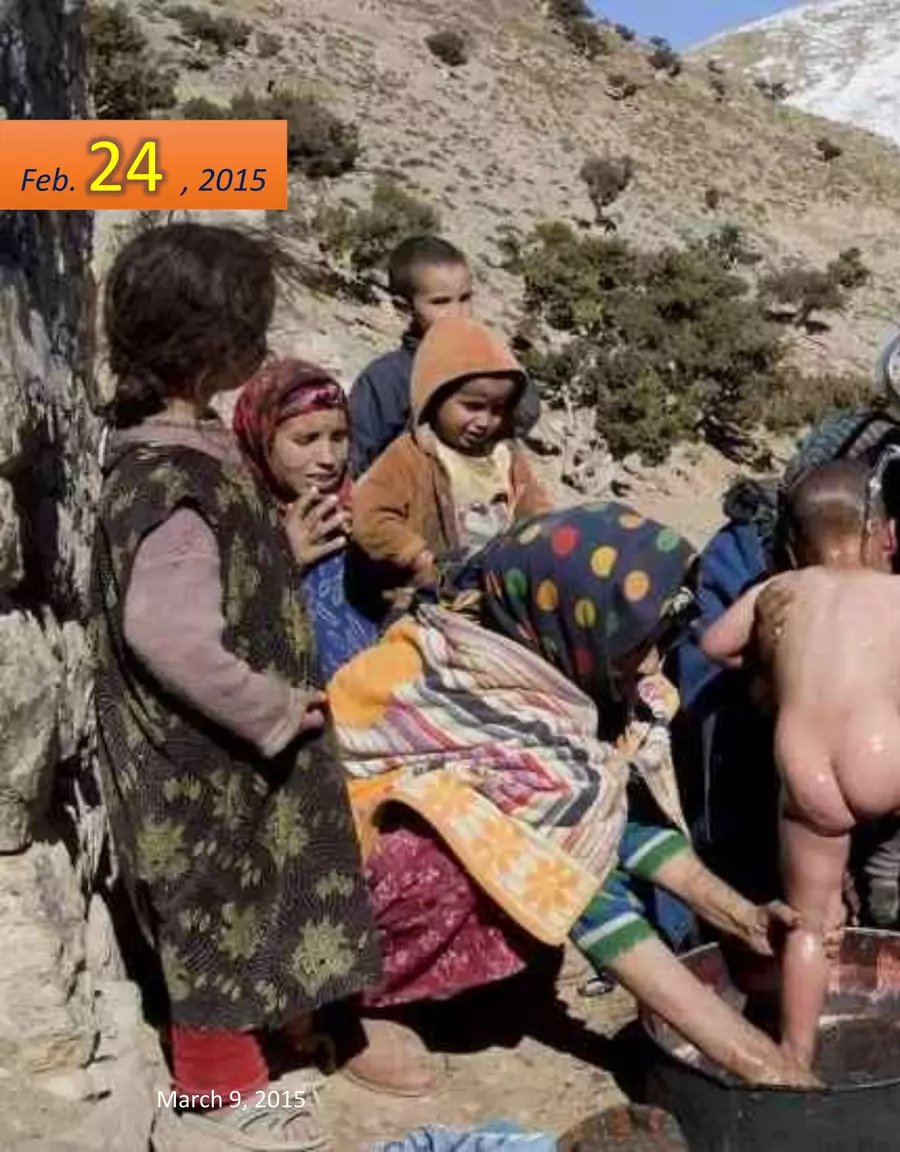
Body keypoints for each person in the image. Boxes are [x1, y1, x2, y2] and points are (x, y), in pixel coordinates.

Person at [329, 504, 818, 1087]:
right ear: (581, 620)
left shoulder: (549, 675)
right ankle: (340, 1011)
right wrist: (753, 1059)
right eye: (641, 644)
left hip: (372, 882)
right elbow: (585, 891)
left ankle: (437, 997)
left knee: (538, 863)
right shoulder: (475, 692)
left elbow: (610, 822)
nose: (655, 664)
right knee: (498, 871)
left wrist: (739, 916)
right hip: (326, 906)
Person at [92, 223, 380, 1151]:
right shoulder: (173, 476)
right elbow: (166, 628)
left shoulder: (186, 448)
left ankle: (254, 1063)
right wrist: (267, 705)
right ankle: (223, 1105)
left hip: (213, 760)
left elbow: (209, 582)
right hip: (200, 765)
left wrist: (278, 558)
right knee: (211, 916)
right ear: (211, 343)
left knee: (243, 902)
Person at [700, 463, 900, 1069]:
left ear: (795, 543)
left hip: (803, 777)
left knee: (809, 923)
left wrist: (769, 658)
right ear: (889, 535)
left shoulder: (779, 589)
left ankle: (794, 1054)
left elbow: (713, 644)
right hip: (879, 761)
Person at [675, 410, 900, 937]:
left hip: (864, 757)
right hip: (768, 762)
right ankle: (774, 894)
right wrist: (770, 677)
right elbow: (705, 665)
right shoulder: (749, 560)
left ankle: (899, 866)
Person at [352, 315, 550, 598]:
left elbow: (537, 515)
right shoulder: (413, 456)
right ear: (435, 397)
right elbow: (368, 515)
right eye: (473, 406)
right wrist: (417, 557)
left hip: (495, 593)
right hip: (428, 597)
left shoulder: (505, 458)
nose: (485, 421)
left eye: (497, 410)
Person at [231, 358, 385, 682]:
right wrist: (284, 560)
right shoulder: (232, 515)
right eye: (306, 440)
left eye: (339, 437)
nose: (328, 459)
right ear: (263, 437)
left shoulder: (365, 505)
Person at [350, 235, 538, 475]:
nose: (458, 313)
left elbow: (527, 409)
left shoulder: (488, 362)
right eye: (440, 302)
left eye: (465, 298)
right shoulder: (387, 379)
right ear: (403, 306)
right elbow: (355, 459)